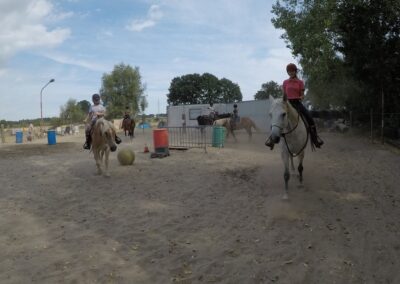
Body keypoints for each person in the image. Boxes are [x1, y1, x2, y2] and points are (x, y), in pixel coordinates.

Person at [265, 63, 324, 149]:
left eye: (292, 71)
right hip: (287, 103)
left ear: (295, 71)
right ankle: (272, 139)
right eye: (289, 71)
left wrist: (301, 97)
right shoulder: (285, 82)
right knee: (277, 118)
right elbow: (284, 94)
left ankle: (315, 139)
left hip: (297, 103)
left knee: (309, 118)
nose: (290, 73)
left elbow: (302, 94)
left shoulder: (300, 82)